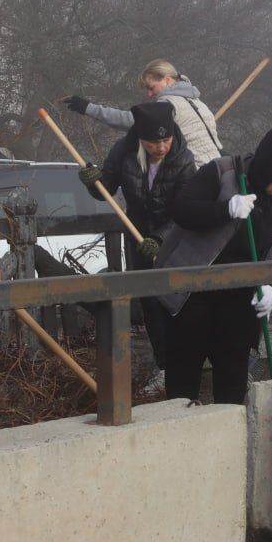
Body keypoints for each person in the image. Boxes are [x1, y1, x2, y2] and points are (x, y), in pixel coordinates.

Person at [153, 127, 272, 403]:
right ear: (270, 167)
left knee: (233, 374)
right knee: (183, 372)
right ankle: (180, 422)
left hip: (240, 299)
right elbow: (182, 210)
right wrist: (225, 209)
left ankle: (230, 423)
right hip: (193, 292)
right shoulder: (221, 172)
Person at [78, 101, 195, 368]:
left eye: (166, 140)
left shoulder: (184, 159)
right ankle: (163, 365)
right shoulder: (123, 152)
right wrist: (93, 182)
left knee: (175, 299)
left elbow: (185, 210)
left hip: (173, 238)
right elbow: (105, 189)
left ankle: (184, 362)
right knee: (150, 301)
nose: (161, 147)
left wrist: (160, 239)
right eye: (154, 142)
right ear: (141, 138)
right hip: (137, 235)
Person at [63, 59, 222, 164]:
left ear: (167, 80)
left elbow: (129, 120)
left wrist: (89, 108)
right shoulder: (198, 102)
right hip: (218, 168)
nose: (150, 94)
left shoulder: (167, 105)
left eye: (151, 88)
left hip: (195, 173)